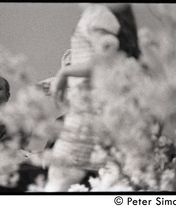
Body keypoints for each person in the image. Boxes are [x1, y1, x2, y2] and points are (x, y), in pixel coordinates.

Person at [45, 4, 141, 191]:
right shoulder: (103, 16)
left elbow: (105, 62)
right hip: (97, 110)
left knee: (59, 177)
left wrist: (64, 73)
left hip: (88, 113)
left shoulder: (98, 15)